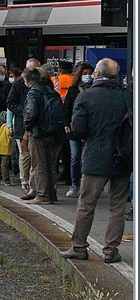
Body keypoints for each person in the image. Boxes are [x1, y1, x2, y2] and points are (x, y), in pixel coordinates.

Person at [61, 58, 132, 263]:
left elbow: (78, 130)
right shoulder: (128, 96)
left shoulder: (85, 97)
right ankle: (111, 250)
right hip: (123, 158)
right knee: (117, 206)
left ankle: (79, 246)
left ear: (97, 74)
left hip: (95, 157)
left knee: (86, 204)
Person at [21, 65, 63, 204]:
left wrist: (27, 128)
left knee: (39, 165)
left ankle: (42, 195)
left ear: (27, 80)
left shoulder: (34, 93)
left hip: (38, 132)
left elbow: (31, 113)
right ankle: (51, 193)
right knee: (51, 164)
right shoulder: (51, 91)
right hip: (54, 132)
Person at [9, 59, 40, 197]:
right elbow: (10, 103)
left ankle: (34, 182)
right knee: (24, 154)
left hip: (36, 125)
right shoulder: (18, 85)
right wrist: (23, 111)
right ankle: (25, 180)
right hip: (22, 124)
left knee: (35, 156)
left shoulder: (41, 85)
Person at [63, 61, 94, 199]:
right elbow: (67, 108)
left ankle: (87, 186)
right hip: (74, 129)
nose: (87, 76)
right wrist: (66, 124)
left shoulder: (94, 89)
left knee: (87, 158)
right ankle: (75, 184)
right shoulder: (73, 90)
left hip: (90, 130)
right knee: (75, 157)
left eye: (89, 74)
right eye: (84, 74)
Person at [0, 118, 14, 186]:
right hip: (4, 149)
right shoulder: (3, 127)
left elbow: (11, 136)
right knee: (2, 165)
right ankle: (3, 179)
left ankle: (0, 179)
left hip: (0, 148)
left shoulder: (4, 127)